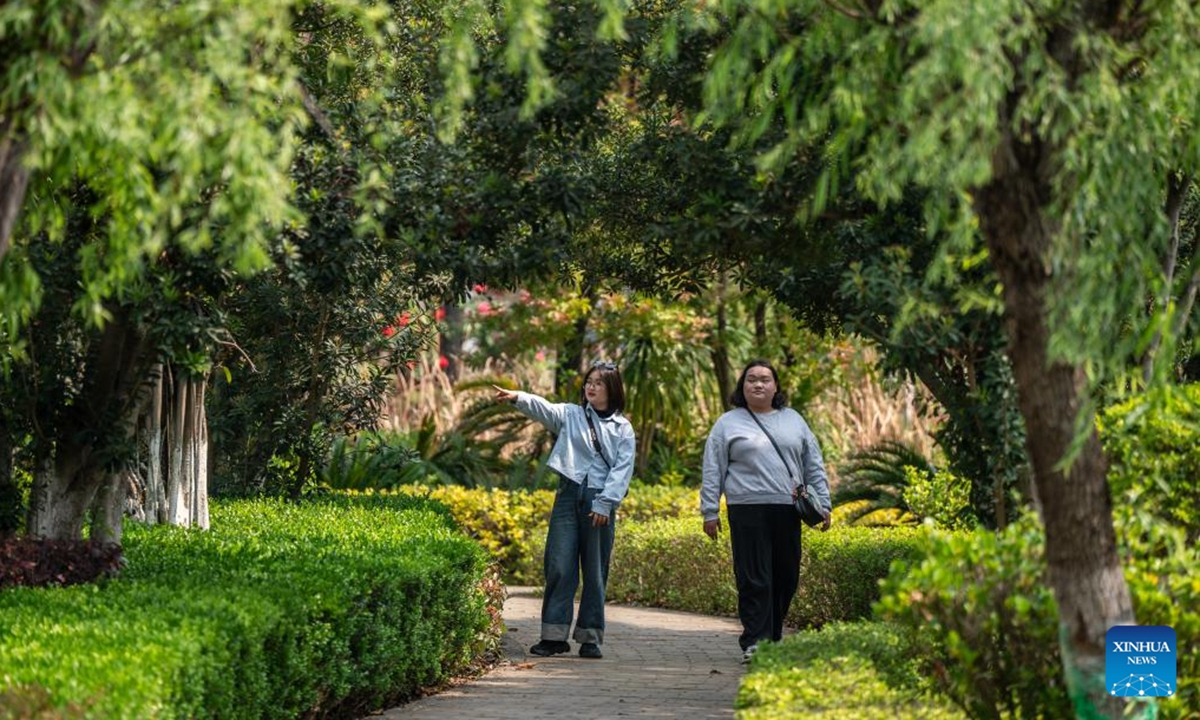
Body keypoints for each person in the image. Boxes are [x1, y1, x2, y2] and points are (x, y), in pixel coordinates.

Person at [493, 361, 635, 660]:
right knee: (558, 565)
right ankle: (554, 636)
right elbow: (545, 408)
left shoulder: (623, 428)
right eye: (589, 381)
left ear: (613, 388)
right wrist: (518, 397)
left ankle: (590, 637)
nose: (591, 386)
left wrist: (605, 503)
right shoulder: (572, 415)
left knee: (595, 571)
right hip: (568, 494)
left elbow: (622, 471)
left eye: (599, 382)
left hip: (599, 499)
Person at [700, 359, 832, 664]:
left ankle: (772, 638)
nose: (758, 384)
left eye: (765, 379)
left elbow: (813, 463)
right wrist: (710, 510)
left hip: (788, 508)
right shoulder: (728, 423)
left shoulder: (794, 420)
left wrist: (823, 503)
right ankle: (755, 641)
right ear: (742, 386)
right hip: (746, 509)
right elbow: (713, 468)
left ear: (776, 387)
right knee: (753, 576)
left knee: (787, 576)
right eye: (751, 380)